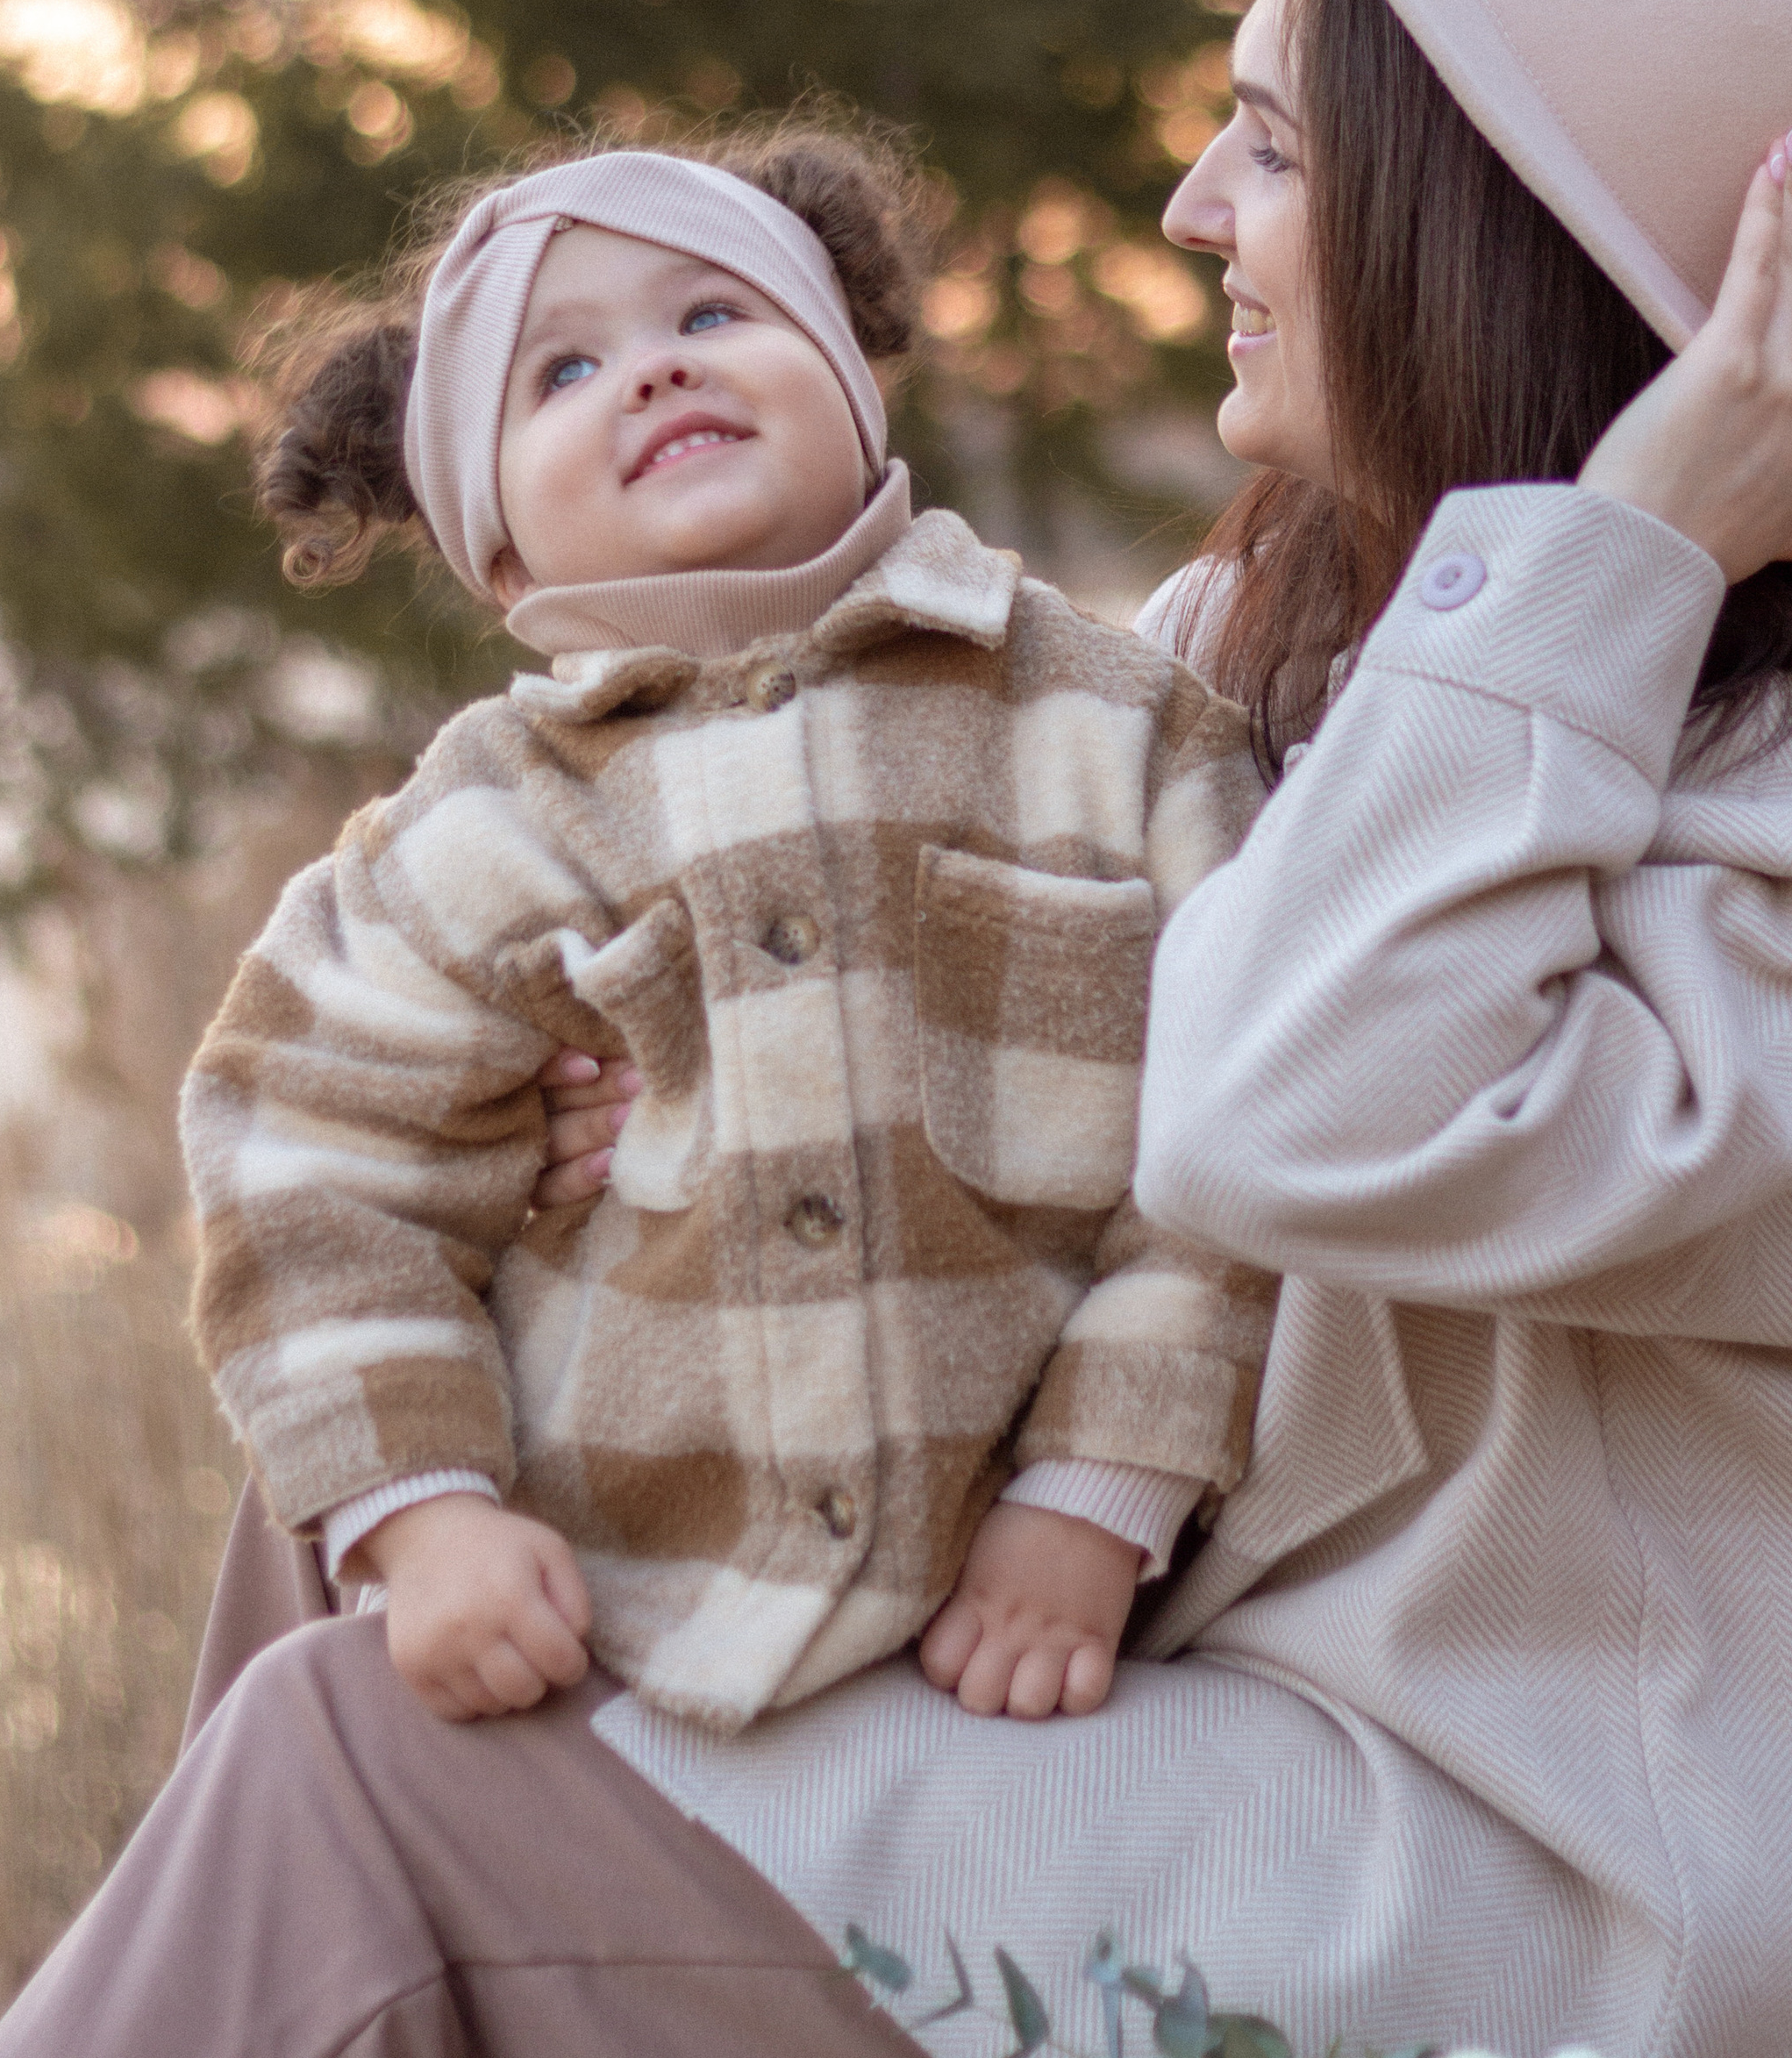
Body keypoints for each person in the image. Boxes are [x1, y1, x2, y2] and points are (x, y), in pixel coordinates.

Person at [0, 0, 1792, 2058]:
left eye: (1274, 143)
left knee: (365, 1775)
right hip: (1180, 1731)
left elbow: (1278, 1110)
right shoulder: (1291, 658)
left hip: (1511, 1932)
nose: (1196, 205)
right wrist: (696, 1099)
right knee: (395, 1515)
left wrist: (1623, 552)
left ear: (1465, 218)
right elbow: (970, 898)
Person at [182, 124, 1271, 1737]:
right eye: (558, 373)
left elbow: (1234, 1141)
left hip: (1030, 1609)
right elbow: (310, 1165)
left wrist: (1098, 1495)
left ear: (849, 371)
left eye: (709, 317)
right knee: (307, 1783)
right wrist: (425, 1518)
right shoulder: (490, 824)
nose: (650, 374)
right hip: (610, 1624)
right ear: (490, 538)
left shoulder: (1113, 732)